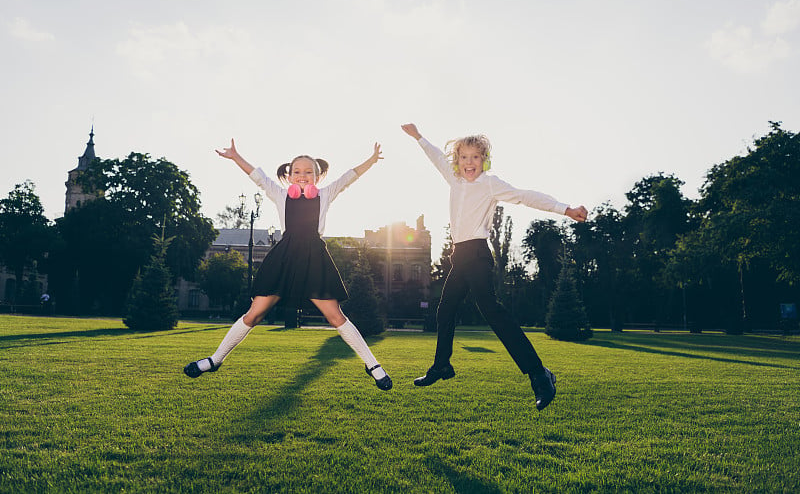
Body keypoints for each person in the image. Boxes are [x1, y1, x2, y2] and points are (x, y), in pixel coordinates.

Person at [400, 123, 588, 410]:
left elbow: (525, 196)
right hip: (459, 256)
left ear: (484, 160)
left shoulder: (490, 183)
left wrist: (565, 208)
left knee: (491, 311)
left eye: (475, 157)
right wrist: (418, 137)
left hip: (476, 253)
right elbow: (436, 156)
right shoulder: (454, 180)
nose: (469, 163)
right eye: (464, 157)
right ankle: (442, 366)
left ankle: (539, 374)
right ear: (457, 161)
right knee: (445, 309)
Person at [184, 139, 392, 391]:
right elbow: (257, 176)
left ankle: (373, 365)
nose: (302, 176)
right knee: (254, 314)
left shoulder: (326, 194)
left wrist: (371, 160)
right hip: (284, 258)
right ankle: (215, 360)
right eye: (297, 172)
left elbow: (350, 177)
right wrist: (236, 156)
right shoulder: (281, 195)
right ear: (288, 176)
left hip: (314, 258)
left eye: (308, 172)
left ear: (318, 176)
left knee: (335, 316)